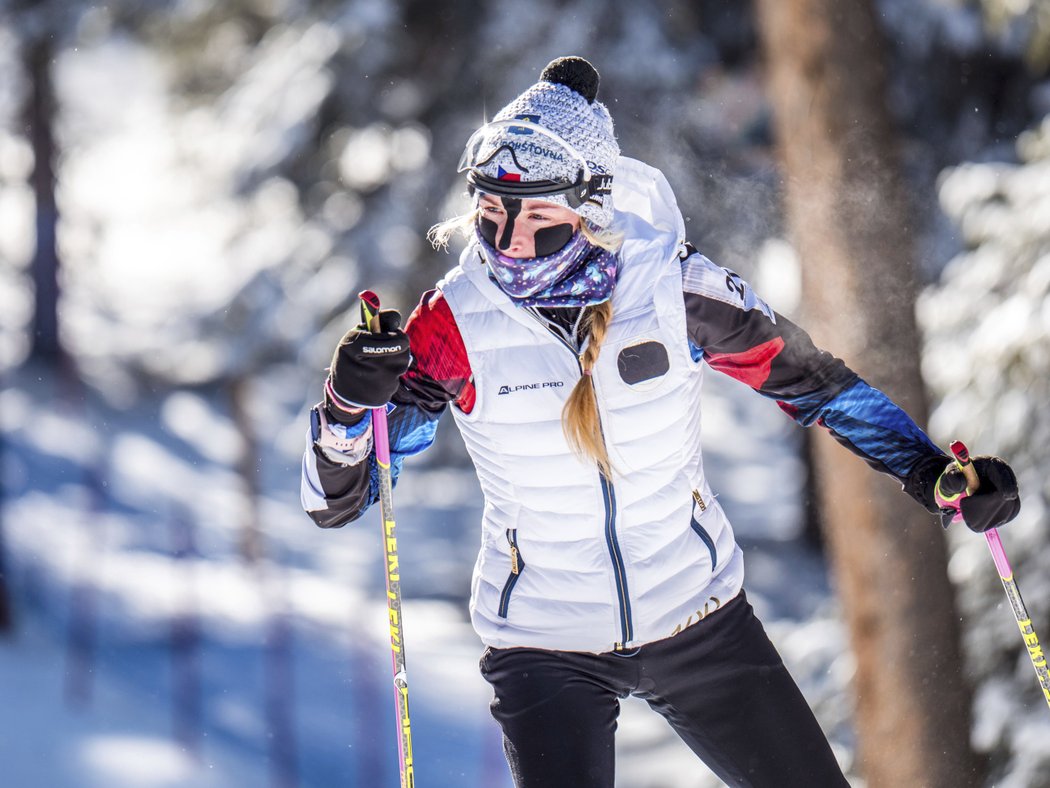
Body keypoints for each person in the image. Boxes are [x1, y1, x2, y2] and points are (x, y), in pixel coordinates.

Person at [300, 56, 1020, 788]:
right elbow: (338, 499)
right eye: (491, 215)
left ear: (592, 209)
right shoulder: (454, 322)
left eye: (539, 217)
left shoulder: (675, 289)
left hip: (696, 617)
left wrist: (934, 473)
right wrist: (348, 405)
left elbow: (814, 384)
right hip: (546, 644)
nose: (510, 243)